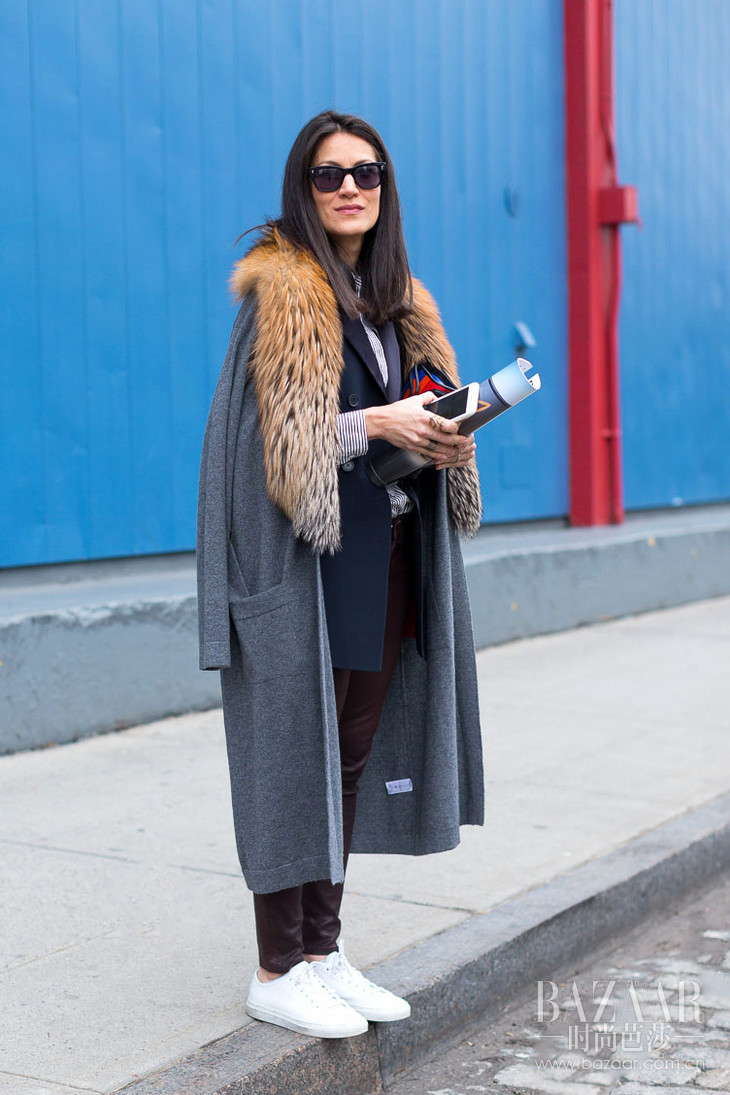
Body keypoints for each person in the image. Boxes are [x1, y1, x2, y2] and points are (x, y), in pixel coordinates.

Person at [196, 110, 485, 1041]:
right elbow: (264, 451)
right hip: (306, 568)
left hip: (386, 557)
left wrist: (439, 437)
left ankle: (322, 951)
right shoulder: (282, 295)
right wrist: (384, 425)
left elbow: (401, 423)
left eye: (367, 172)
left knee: (348, 761)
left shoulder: (396, 301)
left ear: (385, 189)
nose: (351, 186)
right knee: (296, 761)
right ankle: (276, 966)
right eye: (329, 176)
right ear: (304, 191)